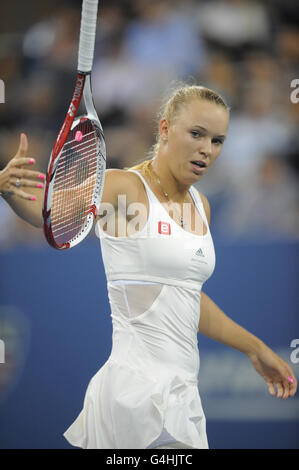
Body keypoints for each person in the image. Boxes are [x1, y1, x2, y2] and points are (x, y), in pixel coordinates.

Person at [0, 86, 297, 449]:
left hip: (181, 397)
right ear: (165, 129)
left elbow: (186, 300)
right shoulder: (125, 187)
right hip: (135, 398)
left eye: (218, 140)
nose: (207, 148)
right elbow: (50, 213)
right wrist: (11, 192)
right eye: (197, 133)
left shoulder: (200, 204)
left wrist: (255, 348)